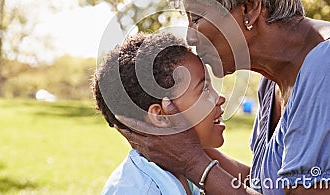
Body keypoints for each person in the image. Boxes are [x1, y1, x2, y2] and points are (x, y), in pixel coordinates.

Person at [116, 0, 330, 194]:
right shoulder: (272, 83)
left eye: (196, 18)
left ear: (249, 8)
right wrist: (183, 145)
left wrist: (194, 163)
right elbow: (270, 187)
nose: (191, 37)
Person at [92, 32, 228, 195]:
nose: (220, 98)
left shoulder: (182, 172)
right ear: (161, 116)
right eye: (204, 89)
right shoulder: (137, 190)